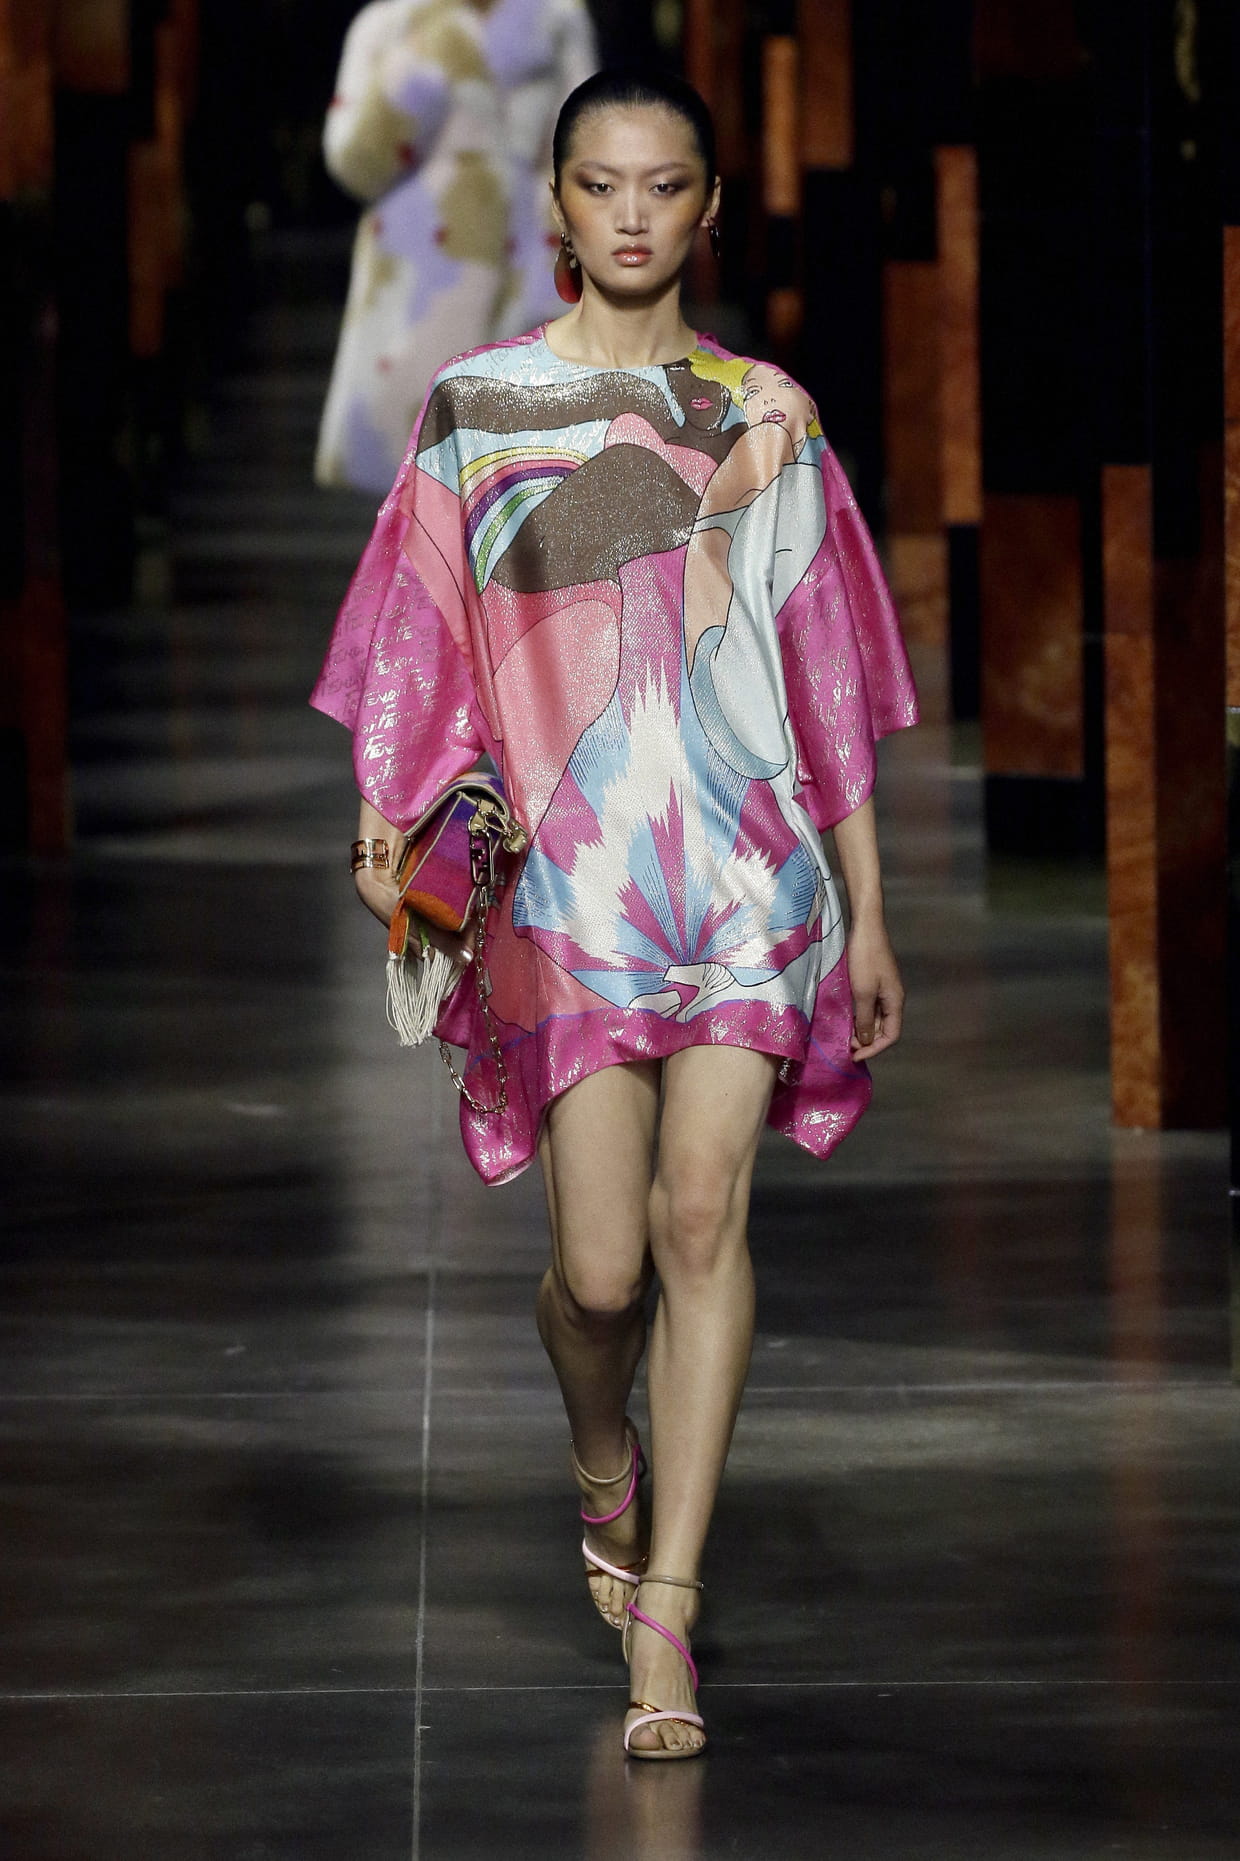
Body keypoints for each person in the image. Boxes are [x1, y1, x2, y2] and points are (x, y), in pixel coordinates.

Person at [312, 68, 918, 1759]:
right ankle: (603, 1451)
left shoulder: (768, 413)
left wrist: (869, 911)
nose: (634, 214)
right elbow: (419, 636)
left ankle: (670, 1609)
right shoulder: (478, 409)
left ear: (710, 206)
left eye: (666, 185)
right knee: (597, 1276)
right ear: (560, 204)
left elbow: (824, 673)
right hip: (570, 892)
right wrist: (388, 824)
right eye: (602, 184)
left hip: (749, 872)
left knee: (701, 1217)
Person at [315, 0, 597, 492]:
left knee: (524, 487)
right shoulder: (389, 25)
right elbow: (354, 162)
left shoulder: (554, 18)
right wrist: (424, 57)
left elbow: (588, 154)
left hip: (524, 264)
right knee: (411, 494)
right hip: (414, 279)